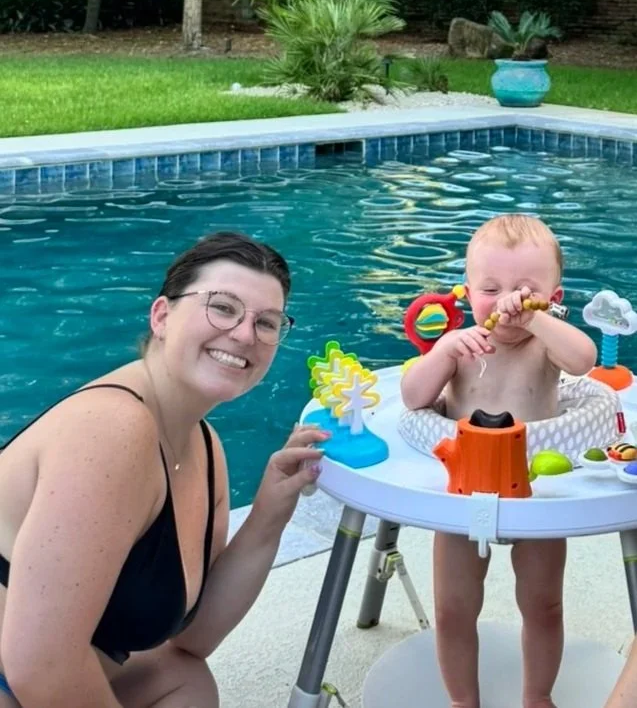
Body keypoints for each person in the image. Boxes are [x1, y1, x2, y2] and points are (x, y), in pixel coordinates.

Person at [0, 230, 328, 708]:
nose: (243, 334)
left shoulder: (202, 445)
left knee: (184, 680)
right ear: (162, 316)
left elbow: (193, 640)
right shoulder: (111, 428)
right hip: (23, 683)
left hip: (42, 678)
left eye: (267, 323)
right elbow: (43, 672)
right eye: (223, 306)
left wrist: (270, 509)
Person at [401, 214, 598, 708]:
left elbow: (585, 360)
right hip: (464, 490)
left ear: (554, 297)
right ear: (467, 292)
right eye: (491, 288)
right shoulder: (462, 347)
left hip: (533, 493)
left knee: (543, 605)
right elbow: (412, 398)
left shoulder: (545, 346)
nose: (507, 301)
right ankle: (463, 700)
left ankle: (537, 695)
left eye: (525, 289)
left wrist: (536, 320)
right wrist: (443, 352)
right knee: (452, 609)